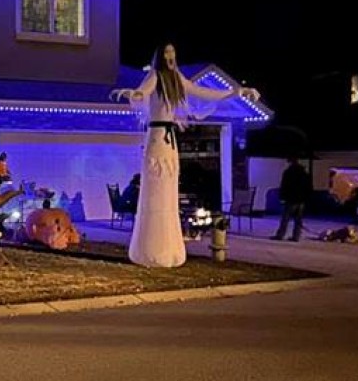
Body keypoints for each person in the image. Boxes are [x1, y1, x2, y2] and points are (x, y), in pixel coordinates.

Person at [110, 44, 260, 268]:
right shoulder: (156, 76)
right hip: (157, 138)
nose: (171, 56)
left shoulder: (177, 78)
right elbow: (144, 91)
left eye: (173, 52)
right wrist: (134, 94)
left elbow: (203, 92)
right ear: (160, 56)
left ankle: (169, 248)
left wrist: (236, 92)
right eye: (166, 52)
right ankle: (151, 250)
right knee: (156, 189)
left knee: (168, 191)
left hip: (169, 140)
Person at [273, 156, 312, 242]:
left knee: (286, 218)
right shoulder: (304, 173)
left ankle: (281, 234)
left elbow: (284, 186)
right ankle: (296, 236)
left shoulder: (288, 172)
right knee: (298, 219)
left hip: (291, 199)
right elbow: (308, 187)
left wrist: (282, 197)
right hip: (301, 199)